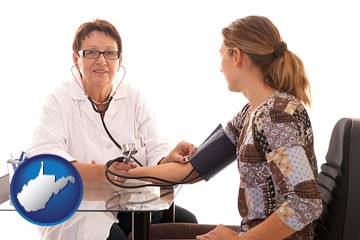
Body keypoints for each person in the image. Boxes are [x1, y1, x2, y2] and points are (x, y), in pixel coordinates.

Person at [126, 15, 323, 240]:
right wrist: (132, 173)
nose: (220, 68)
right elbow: (192, 170)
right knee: (144, 235)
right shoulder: (250, 113)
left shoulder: (277, 115)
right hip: (249, 233)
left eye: (221, 54)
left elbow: (305, 204)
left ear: (236, 56)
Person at [26, 19, 197, 240]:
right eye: (91, 52)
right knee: (111, 235)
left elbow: (156, 146)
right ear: (75, 58)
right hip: (79, 206)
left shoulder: (134, 98)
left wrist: (167, 159)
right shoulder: (58, 100)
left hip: (128, 201)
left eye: (109, 53)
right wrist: (101, 173)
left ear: (120, 60)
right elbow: (43, 157)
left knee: (187, 223)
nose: (101, 60)